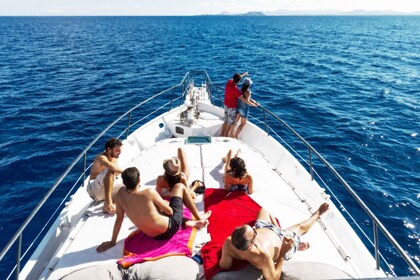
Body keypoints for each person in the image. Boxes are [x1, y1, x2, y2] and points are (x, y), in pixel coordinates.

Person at [97, 167, 212, 252]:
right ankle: (198, 217)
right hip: (170, 228)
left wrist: (112, 242)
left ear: (124, 182)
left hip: (152, 235)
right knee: (179, 187)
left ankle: (190, 223)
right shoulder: (148, 193)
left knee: (158, 211)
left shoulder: (120, 195)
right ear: (139, 180)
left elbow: (119, 219)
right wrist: (163, 205)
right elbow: (170, 212)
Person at [219, 203, 330, 280]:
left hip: (264, 227)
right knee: (301, 227)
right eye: (254, 231)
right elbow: (275, 278)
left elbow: (224, 265)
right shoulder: (263, 256)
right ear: (250, 245)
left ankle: (280, 230)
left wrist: (227, 255)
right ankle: (318, 213)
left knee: (264, 210)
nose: (253, 228)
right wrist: (283, 252)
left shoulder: (229, 242)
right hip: (281, 242)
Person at [87, 137, 124, 214]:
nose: (120, 153)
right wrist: (126, 172)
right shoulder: (101, 157)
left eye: (120, 150)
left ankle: (111, 203)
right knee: (111, 169)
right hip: (94, 190)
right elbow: (111, 166)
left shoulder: (114, 156)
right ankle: (108, 202)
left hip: (104, 190)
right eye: (117, 151)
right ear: (109, 149)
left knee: (130, 184)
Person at [220, 71, 250, 137]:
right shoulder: (235, 89)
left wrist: (243, 75)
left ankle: (221, 134)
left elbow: (237, 78)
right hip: (232, 108)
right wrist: (249, 103)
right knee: (229, 123)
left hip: (226, 105)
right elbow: (242, 98)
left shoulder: (229, 82)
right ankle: (225, 136)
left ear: (233, 78)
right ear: (239, 81)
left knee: (225, 121)